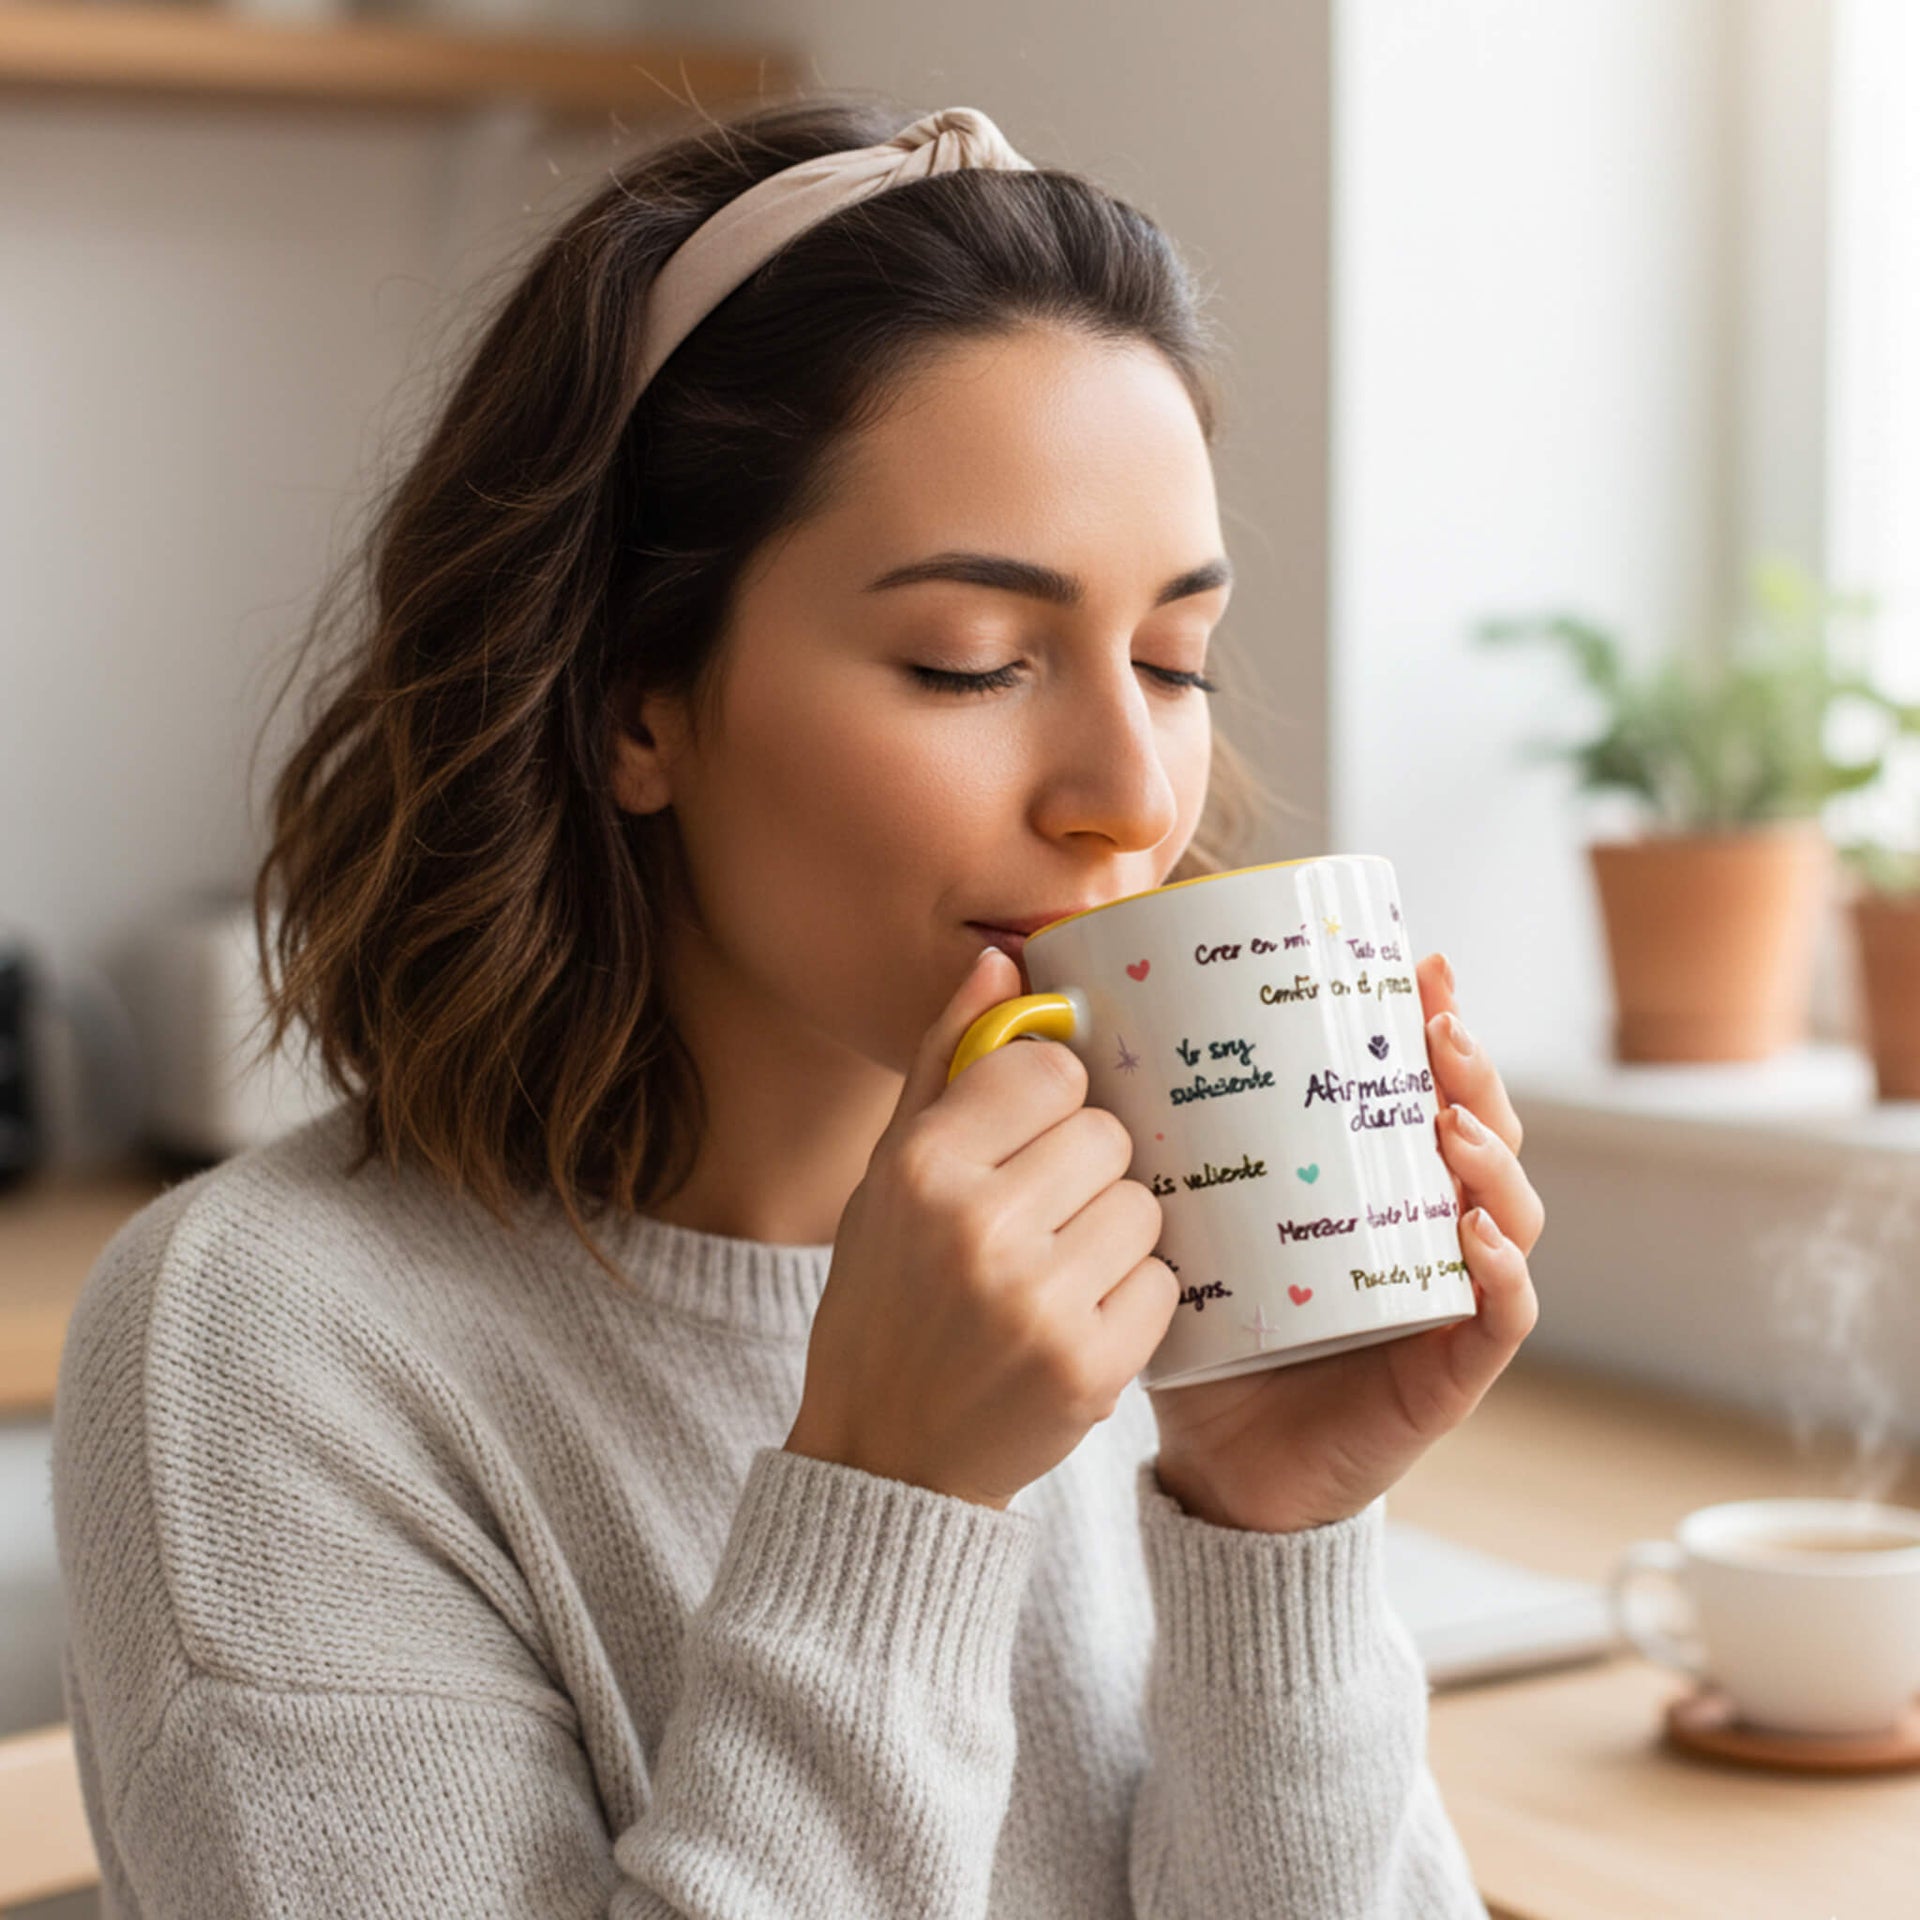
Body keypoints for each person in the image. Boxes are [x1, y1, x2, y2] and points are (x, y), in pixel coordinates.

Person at [50, 97, 1544, 1917]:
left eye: (1173, 660)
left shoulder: (1147, 1270)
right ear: (635, 700)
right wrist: (891, 1497)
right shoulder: (266, 1352)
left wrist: (1274, 1531)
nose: (1132, 795)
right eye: (971, 663)